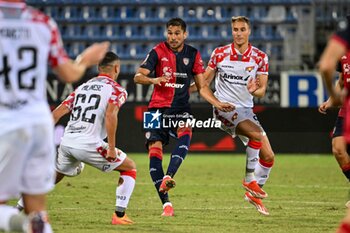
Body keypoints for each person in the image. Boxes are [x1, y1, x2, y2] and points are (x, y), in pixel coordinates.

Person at [0, 1, 109, 232]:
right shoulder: (42, 22)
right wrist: (85, 60)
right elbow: (69, 73)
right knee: (37, 209)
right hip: (38, 122)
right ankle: (36, 224)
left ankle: (18, 223)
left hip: (6, 120)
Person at [16, 52, 136, 225]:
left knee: (55, 175)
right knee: (129, 168)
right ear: (117, 68)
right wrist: (111, 147)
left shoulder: (82, 88)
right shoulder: (117, 90)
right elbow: (111, 115)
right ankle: (119, 216)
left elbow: (56, 114)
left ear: (98, 68)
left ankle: (18, 208)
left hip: (67, 142)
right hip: (88, 143)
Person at [134, 17, 233, 216]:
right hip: (155, 108)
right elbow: (138, 76)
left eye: (177, 33)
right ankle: (166, 205)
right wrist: (154, 79)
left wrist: (217, 103)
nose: (173, 37)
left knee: (186, 128)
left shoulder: (193, 54)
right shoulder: (157, 51)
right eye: (170, 33)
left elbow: (202, 87)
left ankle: (169, 175)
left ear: (184, 34)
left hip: (180, 107)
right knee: (154, 149)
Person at [203, 16, 275, 215]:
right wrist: (215, 102)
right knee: (256, 136)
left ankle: (252, 193)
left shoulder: (260, 57)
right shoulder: (219, 53)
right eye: (235, 29)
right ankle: (249, 180)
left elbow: (262, 91)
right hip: (224, 108)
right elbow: (203, 84)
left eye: (242, 29)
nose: (239, 33)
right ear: (231, 31)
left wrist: (254, 91)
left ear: (249, 31)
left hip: (246, 111)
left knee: (268, 157)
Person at [319, 60, 350, 184]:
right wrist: (330, 101)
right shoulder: (343, 55)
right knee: (338, 149)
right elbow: (342, 81)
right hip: (347, 109)